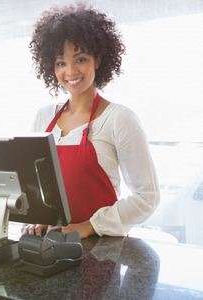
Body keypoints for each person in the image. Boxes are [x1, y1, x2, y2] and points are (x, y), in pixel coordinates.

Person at [22, 3, 159, 238]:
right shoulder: (44, 117)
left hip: (101, 250)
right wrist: (37, 217)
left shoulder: (119, 119)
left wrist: (89, 226)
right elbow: (37, 186)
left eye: (80, 59)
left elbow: (147, 197)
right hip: (52, 244)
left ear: (97, 59)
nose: (71, 71)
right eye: (61, 63)